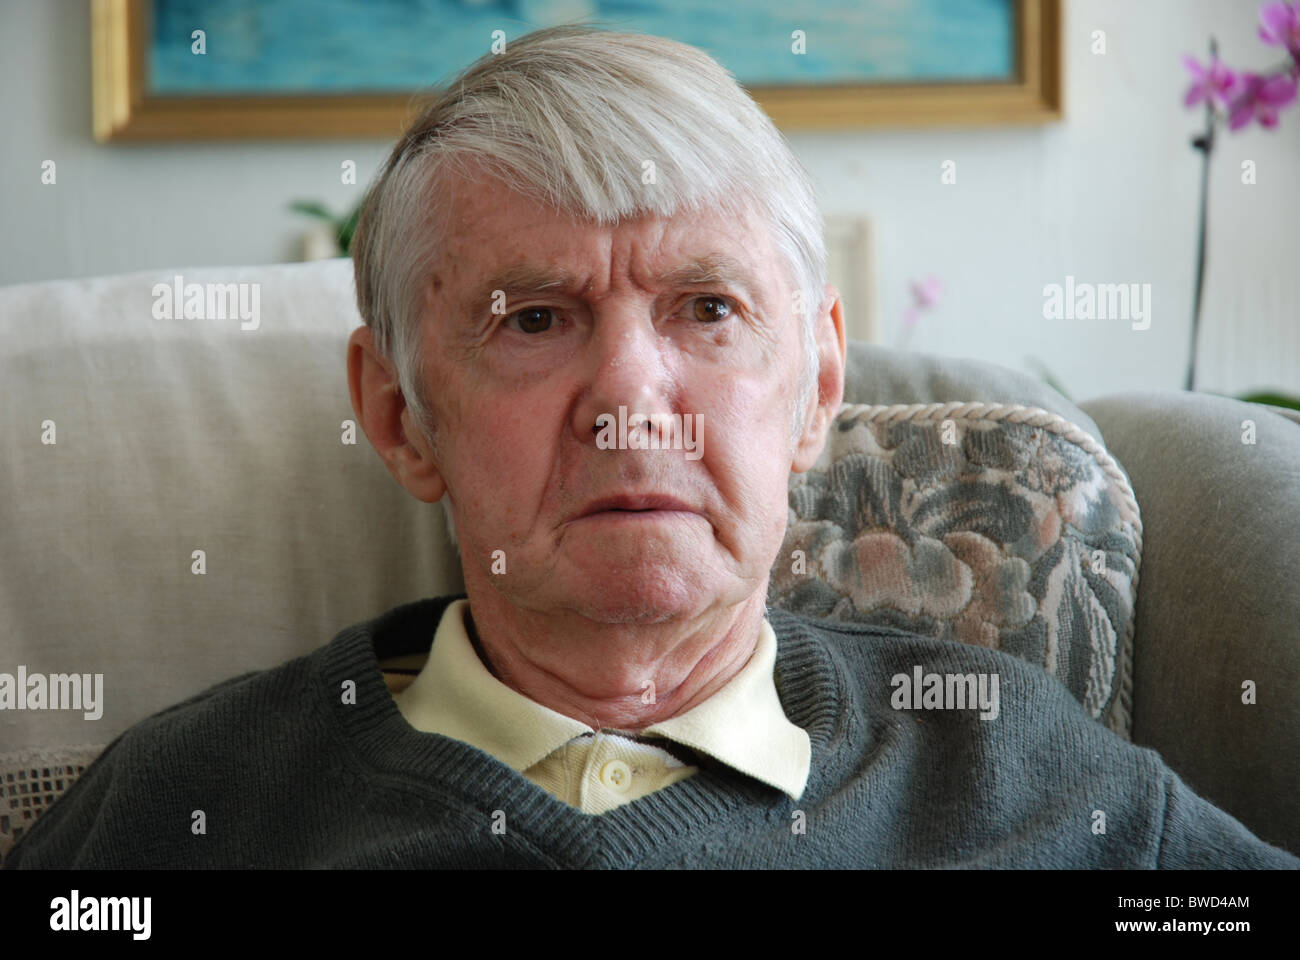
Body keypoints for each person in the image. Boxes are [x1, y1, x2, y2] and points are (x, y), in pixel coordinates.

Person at [5, 25, 1296, 869]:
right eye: (535, 319)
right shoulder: (184, 813)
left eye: (707, 310)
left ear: (812, 394)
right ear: (401, 416)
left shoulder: (1021, 773)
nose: (630, 399)